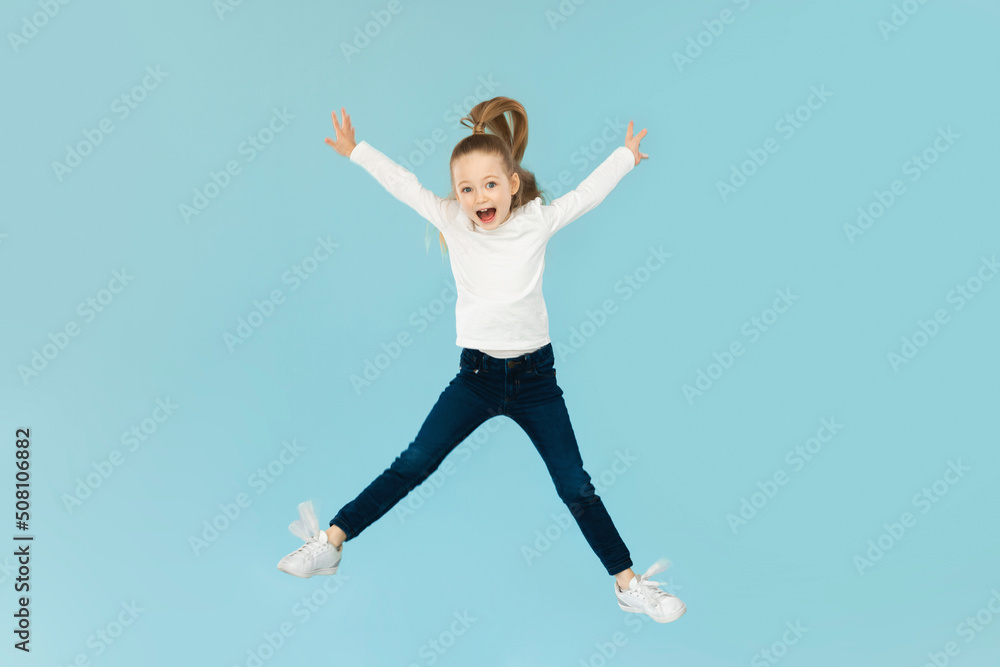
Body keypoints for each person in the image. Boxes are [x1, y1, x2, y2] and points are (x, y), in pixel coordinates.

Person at [276, 96, 684, 623]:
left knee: (575, 484)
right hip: (477, 378)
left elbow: (586, 196)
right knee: (413, 463)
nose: (477, 197)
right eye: (466, 189)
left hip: (536, 380)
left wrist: (625, 156)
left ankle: (629, 585)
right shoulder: (453, 221)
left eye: (489, 184)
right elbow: (406, 185)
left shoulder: (535, 221)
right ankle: (330, 542)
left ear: (513, 184)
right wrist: (358, 152)